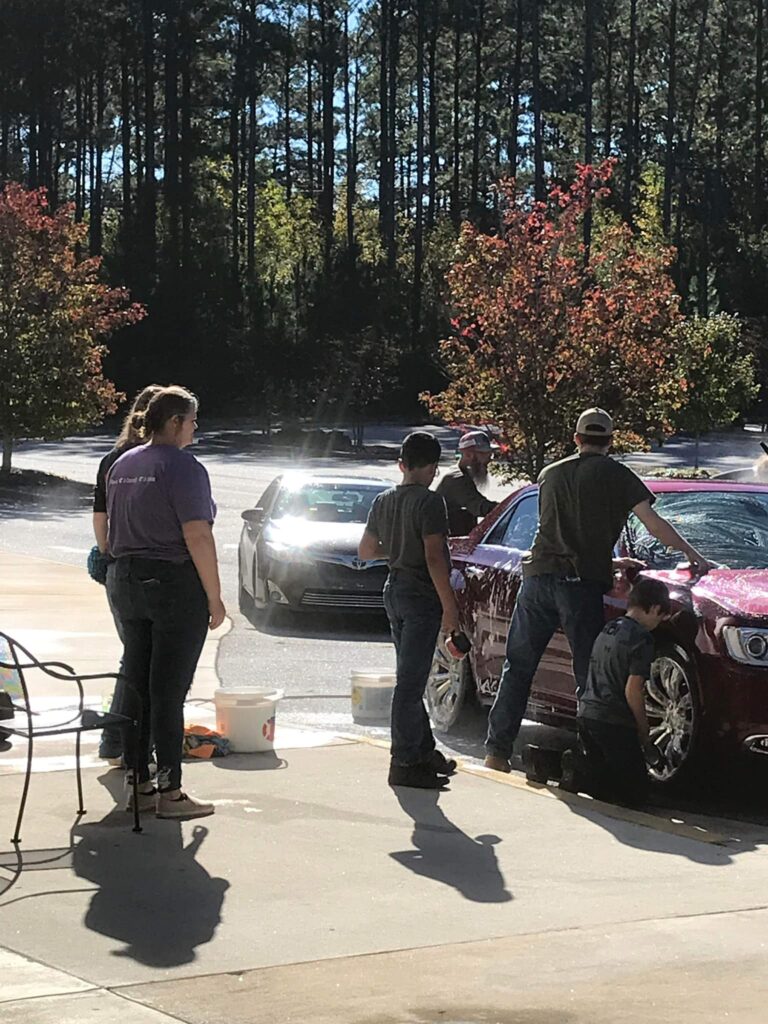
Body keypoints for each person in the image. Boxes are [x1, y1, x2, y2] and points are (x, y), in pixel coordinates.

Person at [484, 407, 714, 774]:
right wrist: (692, 555)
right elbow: (653, 524)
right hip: (579, 585)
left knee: (519, 667)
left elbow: (557, 535)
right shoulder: (617, 475)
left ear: (576, 438)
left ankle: (496, 752)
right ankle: (589, 758)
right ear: (610, 441)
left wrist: (610, 562)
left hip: (538, 578)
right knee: (588, 675)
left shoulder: (550, 474)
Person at [107, 385, 226, 819]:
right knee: (169, 690)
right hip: (172, 583)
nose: (195, 428)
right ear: (175, 422)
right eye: (192, 421)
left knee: (138, 685)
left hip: (126, 579)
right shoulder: (183, 466)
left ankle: (137, 783)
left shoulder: (122, 464)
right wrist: (214, 597)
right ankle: (170, 792)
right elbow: (197, 534)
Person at [359, 431, 460, 790]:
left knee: (410, 673)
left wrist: (399, 548)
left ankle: (422, 749)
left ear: (401, 464)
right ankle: (403, 761)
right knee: (411, 683)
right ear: (432, 468)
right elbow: (434, 557)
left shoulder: (383, 500)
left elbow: (366, 551)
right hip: (420, 594)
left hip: (394, 589)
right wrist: (450, 608)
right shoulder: (430, 503)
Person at [93, 384, 163, 764]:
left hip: (117, 567)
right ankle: (124, 741)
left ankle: (118, 741)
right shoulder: (152, 461)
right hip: (146, 570)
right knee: (141, 659)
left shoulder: (113, 459)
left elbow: (99, 517)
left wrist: (107, 553)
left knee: (133, 655)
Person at [560, 577, 672, 807]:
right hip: (614, 722)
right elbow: (633, 690)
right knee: (634, 795)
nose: (658, 624)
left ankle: (565, 765)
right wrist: (643, 731)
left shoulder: (609, 628)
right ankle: (579, 771)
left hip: (587, 715)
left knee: (604, 775)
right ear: (654, 608)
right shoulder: (642, 639)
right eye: (660, 617)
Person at [435, 430, 498, 535]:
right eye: (485, 454)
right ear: (469, 455)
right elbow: (480, 507)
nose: (489, 460)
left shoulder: (461, 474)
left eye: (490, 455)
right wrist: (509, 507)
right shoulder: (457, 479)